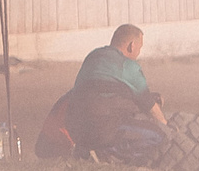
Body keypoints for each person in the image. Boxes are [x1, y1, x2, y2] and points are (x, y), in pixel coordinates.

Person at [61, 24, 168, 163]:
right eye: (139, 48)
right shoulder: (128, 66)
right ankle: (106, 154)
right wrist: (166, 126)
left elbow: (101, 89)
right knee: (157, 136)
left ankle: (85, 149)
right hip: (101, 128)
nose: (138, 53)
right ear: (132, 46)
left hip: (74, 127)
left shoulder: (93, 56)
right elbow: (150, 106)